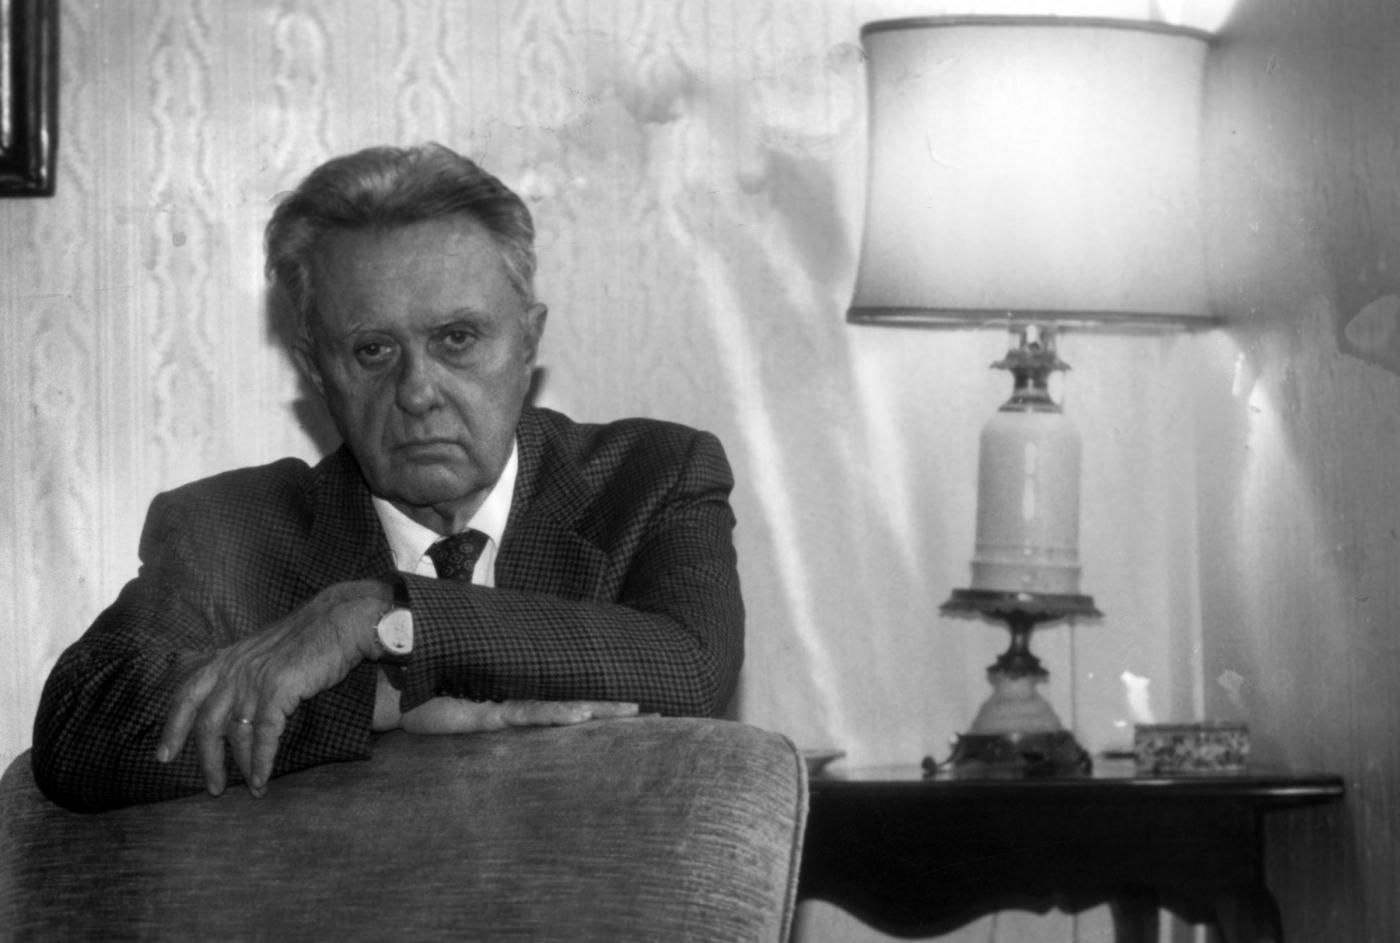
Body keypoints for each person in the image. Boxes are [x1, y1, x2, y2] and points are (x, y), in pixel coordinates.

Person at [31, 143, 744, 812]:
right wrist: (390, 699)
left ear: (528, 341)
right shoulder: (232, 529)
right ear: (317, 371)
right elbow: (80, 726)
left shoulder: (649, 479)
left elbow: (690, 667)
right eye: (372, 350)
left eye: (457, 339)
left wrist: (381, 615)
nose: (418, 391)